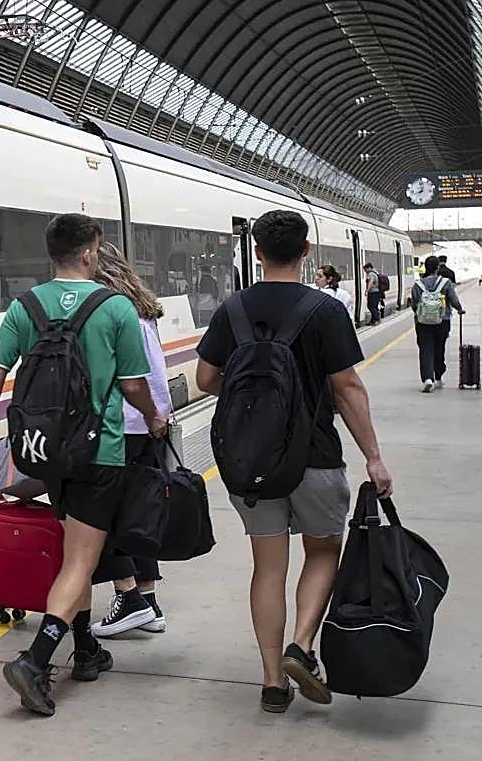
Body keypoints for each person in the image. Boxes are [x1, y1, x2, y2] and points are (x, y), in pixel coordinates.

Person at [0, 213, 168, 717]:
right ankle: (36, 661)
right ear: (87, 252)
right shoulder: (115, 307)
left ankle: (86, 651)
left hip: (48, 451)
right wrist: (153, 416)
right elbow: (131, 384)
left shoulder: (24, 306)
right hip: (100, 452)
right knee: (80, 561)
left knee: (74, 552)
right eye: (97, 249)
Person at [196, 210, 394, 714]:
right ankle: (301, 646)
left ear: (256, 252)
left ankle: (270, 682)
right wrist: (373, 457)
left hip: (249, 463)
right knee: (324, 551)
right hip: (315, 457)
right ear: (307, 253)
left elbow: (204, 380)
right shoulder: (324, 311)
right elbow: (347, 387)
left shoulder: (232, 309)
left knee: (268, 567)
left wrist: (254, 406)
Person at [88, 242, 172, 637]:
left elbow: (130, 378)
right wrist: (159, 415)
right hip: (148, 425)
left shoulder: (111, 313)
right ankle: (149, 602)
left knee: (98, 516)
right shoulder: (142, 308)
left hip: (119, 426)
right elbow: (155, 372)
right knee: (138, 514)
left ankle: (128, 598)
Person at [412, 256, 464, 392]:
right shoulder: (446, 283)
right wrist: (459, 309)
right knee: (439, 348)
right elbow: (453, 299)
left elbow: (414, 304)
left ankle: (428, 379)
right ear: (437, 268)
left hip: (422, 322)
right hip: (442, 321)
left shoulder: (418, 285)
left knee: (425, 349)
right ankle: (439, 376)